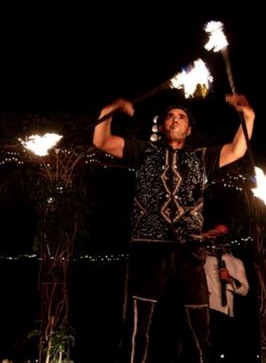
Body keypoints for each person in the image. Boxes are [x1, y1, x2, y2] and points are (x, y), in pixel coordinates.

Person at [93, 94, 255, 363]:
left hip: (189, 248)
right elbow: (102, 141)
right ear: (161, 125)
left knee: (197, 323)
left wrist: (248, 116)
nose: (176, 120)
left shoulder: (202, 157)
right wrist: (109, 109)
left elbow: (237, 149)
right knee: (138, 323)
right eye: (170, 116)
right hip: (148, 245)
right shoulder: (143, 150)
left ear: (189, 129)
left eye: (182, 117)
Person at [203, 224, 249, 363]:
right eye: (218, 233)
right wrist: (206, 235)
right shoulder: (204, 258)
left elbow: (245, 289)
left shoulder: (236, 262)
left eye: (224, 234)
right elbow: (185, 243)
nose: (221, 237)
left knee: (224, 352)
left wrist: (230, 279)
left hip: (226, 312)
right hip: (208, 310)